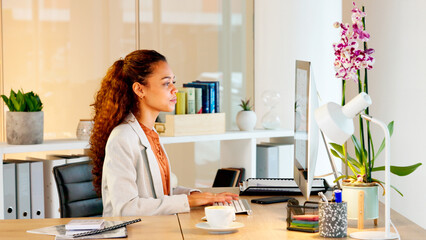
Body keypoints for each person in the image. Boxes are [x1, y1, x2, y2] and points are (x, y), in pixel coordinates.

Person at [90, 49, 238, 217]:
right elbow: (125, 208)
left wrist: (198, 196)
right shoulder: (123, 137)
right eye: (166, 83)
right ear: (139, 89)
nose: (175, 89)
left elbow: (158, 193)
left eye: (173, 81)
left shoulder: (150, 133)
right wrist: (188, 202)